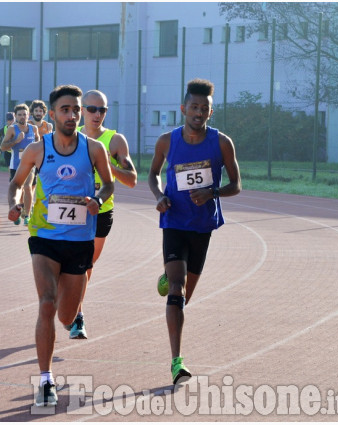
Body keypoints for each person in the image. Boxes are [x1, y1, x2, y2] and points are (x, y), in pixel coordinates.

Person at [8, 84, 114, 407]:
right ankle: (45, 379)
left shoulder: (94, 149)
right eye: (66, 110)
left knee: (66, 315)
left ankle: (71, 320)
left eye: (77, 110)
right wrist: (14, 203)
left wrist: (97, 199)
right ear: (52, 114)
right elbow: (17, 183)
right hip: (44, 237)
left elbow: (108, 183)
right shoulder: (37, 150)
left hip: (80, 240)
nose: (73, 115)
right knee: (46, 302)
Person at [148, 78, 241, 385]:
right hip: (174, 222)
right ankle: (177, 362)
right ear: (183, 108)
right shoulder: (166, 140)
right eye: (194, 107)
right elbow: (152, 175)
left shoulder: (221, 142)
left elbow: (236, 186)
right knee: (177, 290)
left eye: (204, 108)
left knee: (185, 295)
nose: (198, 112)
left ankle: (169, 276)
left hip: (202, 226)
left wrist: (213, 192)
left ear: (210, 112)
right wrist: (160, 196)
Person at [65, 89, 138, 339]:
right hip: (72, 209)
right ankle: (75, 314)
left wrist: (110, 166)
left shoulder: (115, 140)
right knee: (70, 264)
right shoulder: (70, 138)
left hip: (101, 212)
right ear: (81, 110)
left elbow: (132, 180)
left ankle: (76, 314)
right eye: (92, 109)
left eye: (103, 110)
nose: (98, 115)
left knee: (85, 266)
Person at [0, 103, 40, 225]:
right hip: (16, 165)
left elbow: (38, 143)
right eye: (20, 115)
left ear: (29, 115)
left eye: (25, 114)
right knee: (18, 188)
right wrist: (16, 141)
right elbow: (3, 146)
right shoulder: (12, 129)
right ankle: (15, 210)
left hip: (30, 164)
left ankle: (27, 215)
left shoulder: (33, 129)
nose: (23, 117)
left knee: (28, 187)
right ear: (16, 116)